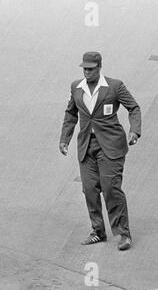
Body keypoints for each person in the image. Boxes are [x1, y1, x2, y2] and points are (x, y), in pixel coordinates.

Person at [59, 51, 141, 251]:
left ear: (99, 67)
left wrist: (134, 131)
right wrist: (65, 139)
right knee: (89, 190)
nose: (86, 72)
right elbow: (71, 113)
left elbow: (134, 108)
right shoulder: (76, 87)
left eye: (90, 69)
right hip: (87, 146)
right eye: (84, 68)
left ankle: (124, 233)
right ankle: (98, 231)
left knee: (111, 188)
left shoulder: (114, 86)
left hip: (111, 145)